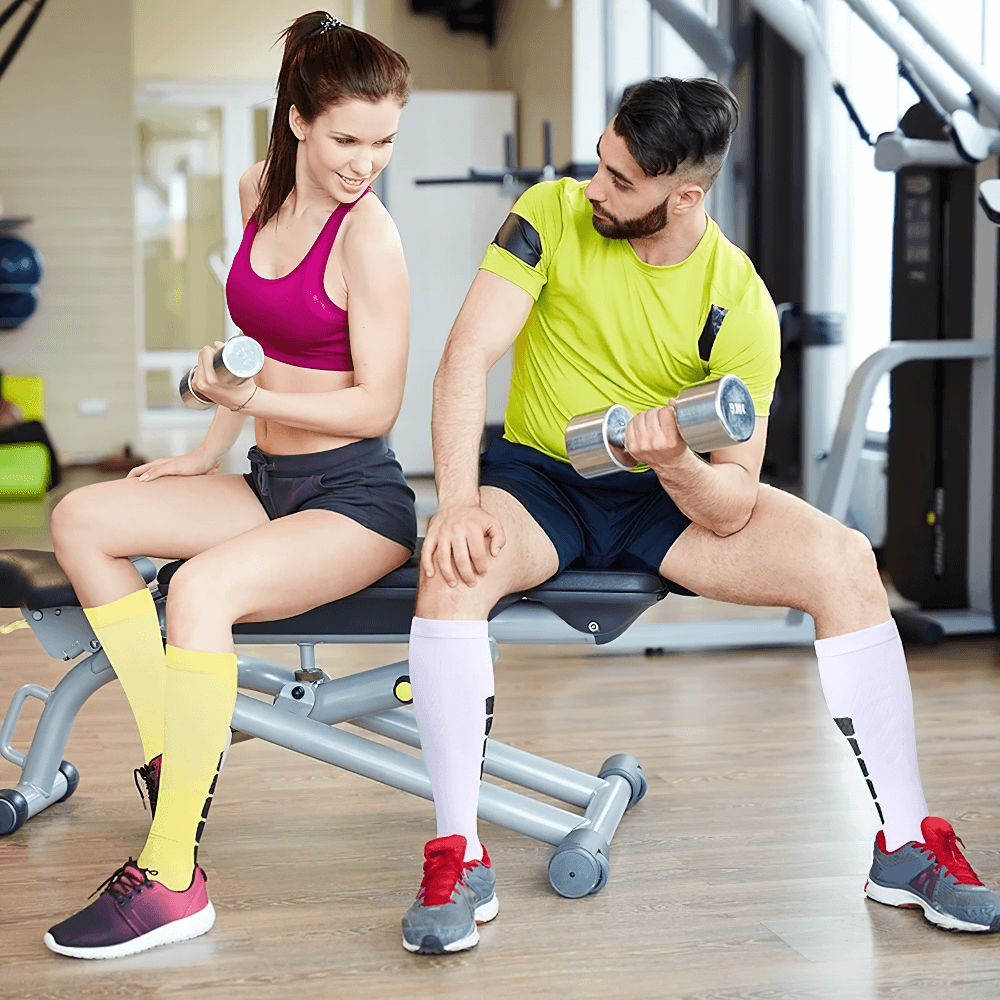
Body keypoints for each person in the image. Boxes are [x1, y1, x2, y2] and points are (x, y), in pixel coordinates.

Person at [399, 76, 1000, 955]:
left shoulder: (740, 300)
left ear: (685, 194)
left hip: (664, 495)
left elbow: (733, 502)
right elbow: (464, 359)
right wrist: (454, 504)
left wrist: (676, 457)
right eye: (600, 164)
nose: (595, 188)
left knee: (843, 561)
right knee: (450, 567)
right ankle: (461, 850)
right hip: (541, 481)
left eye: (621, 180)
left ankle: (905, 846)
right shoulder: (552, 213)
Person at [44, 11, 415, 959]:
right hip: (266, 479)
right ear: (296, 119)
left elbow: (376, 408)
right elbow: (256, 350)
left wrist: (256, 395)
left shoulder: (369, 237)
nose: (365, 161)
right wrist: (210, 442)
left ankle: (172, 878)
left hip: (355, 502)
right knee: (84, 516)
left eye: (383, 142)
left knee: (199, 591)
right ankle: (177, 749)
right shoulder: (258, 190)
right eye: (347, 139)